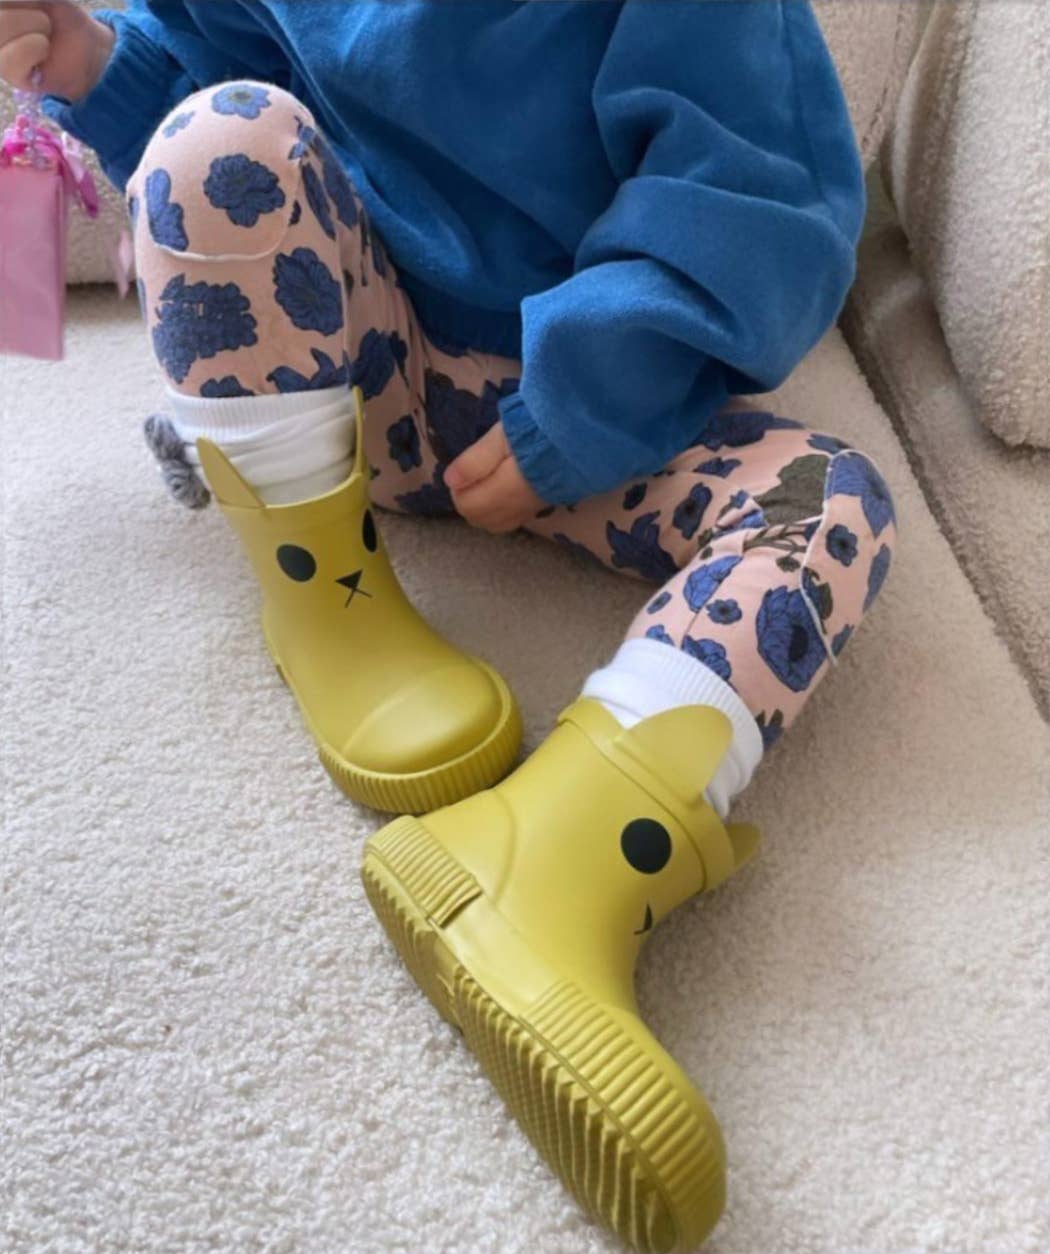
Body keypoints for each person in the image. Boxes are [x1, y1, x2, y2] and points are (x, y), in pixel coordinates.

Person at [0, 2, 897, 1246]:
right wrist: (88, 60)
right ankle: (327, 601)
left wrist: (578, 410)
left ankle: (557, 856)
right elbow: (213, 124)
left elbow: (756, 194)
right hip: (344, 376)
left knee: (828, 504)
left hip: (570, 401)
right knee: (216, 139)